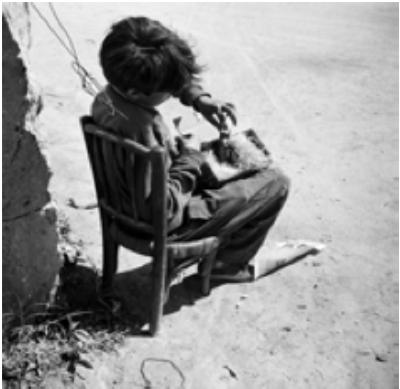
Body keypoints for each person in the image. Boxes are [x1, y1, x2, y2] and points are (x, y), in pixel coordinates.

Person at [91, 16, 320, 283]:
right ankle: (228, 263)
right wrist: (190, 159)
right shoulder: (143, 129)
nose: (172, 94)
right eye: (168, 91)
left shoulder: (108, 98)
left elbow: (168, 77)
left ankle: (217, 233)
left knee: (235, 160)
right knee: (275, 182)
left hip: (127, 202)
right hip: (163, 226)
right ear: (137, 91)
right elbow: (162, 212)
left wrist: (200, 100)